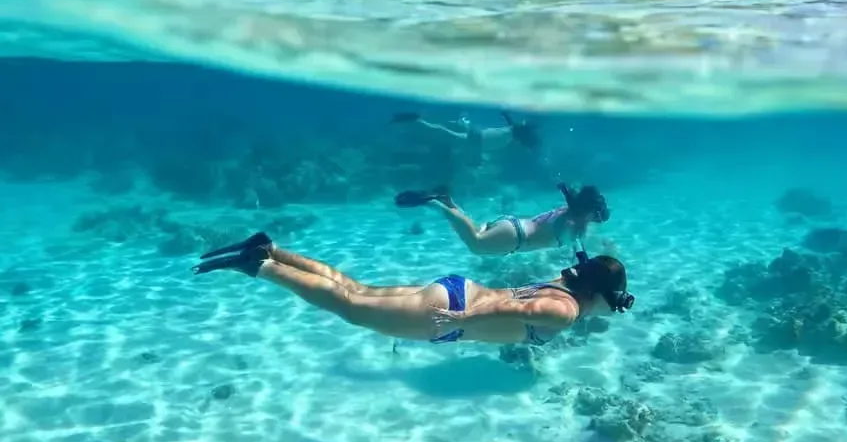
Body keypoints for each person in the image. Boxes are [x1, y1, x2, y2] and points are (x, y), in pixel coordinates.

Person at [192, 232, 633, 345]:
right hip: (451, 315)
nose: (612, 311)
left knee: (355, 289)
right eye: (614, 305)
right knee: (350, 307)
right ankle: (264, 266)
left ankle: (270, 248)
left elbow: (574, 277)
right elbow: (528, 315)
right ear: (598, 297)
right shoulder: (567, 311)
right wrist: (463, 320)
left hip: (457, 290)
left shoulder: (565, 282)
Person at [394, 182, 610, 256]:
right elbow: (579, 250)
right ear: (590, 213)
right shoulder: (575, 226)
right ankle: (434, 203)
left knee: (476, 233)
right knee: (476, 245)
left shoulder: (567, 210)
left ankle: (448, 201)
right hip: (516, 238)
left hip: (512, 226)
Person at [390, 110, 541, 152]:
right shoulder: (509, 135)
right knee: (442, 132)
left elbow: (514, 125)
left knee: (444, 131)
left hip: (477, 138)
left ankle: (416, 120)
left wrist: (506, 115)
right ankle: (416, 120)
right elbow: (515, 126)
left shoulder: (509, 133)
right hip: (476, 139)